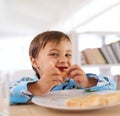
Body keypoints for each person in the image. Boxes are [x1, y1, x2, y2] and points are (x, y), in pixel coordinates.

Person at [9, 31, 116, 104]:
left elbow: (112, 85)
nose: (63, 60)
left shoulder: (76, 84)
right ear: (35, 62)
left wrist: (88, 82)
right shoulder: (29, 83)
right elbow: (5, 95)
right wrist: (38, 87)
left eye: (68, 55)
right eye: (54, 54)